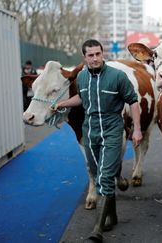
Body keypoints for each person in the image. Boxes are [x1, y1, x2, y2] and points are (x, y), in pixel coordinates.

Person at [53, 39, 143, 242]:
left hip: (113, 131)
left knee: (104, 178)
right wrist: (63, 103)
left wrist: (136, 129)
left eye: (97, 54)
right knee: (96, 173)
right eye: (90, 55)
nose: (95, 58)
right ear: (84, 58)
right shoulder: (82, 77)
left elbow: (133, 101)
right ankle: (112, 215)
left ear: (103, 54)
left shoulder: (117, 76)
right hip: (90, 132)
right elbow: (82, 99)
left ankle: (97, 229)